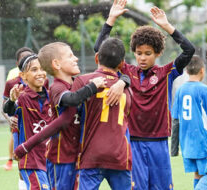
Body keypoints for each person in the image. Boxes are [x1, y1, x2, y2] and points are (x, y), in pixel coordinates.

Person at [93, 1, 195, 189]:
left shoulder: (167, 73)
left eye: (148, 53)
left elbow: (189, 50)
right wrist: (111, 19)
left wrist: (167, 26)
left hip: (159, 142)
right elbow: (100, 49)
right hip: (132, 142)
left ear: (157, 53)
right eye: (139, 53)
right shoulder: (126, 70)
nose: (142, 58)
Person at [14, 37, 133, 190]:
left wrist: (123, 80)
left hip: (79, 155)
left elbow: (109, 65)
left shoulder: (78, 83)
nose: (76, 58)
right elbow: (65, 118)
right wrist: (26, 146)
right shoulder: (58, 88)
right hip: (61, 157)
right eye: (70, 56)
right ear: (57, 64)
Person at [171, 55, 207, 190]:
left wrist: (174, 148)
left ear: (186, 71)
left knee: (198, 174)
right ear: (202, 71)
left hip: (187, 143)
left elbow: (175, 121)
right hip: (204, 142)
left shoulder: (180, 91)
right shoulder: (205, 90)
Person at [2, 47, 34, 171]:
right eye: (23, 59)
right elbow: (4, 106)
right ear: (18, 64)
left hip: (37, 126)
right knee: (22, 160)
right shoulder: (12, 82)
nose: (27, 61)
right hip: (19, 125)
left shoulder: (42, 80)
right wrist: (9, 118)